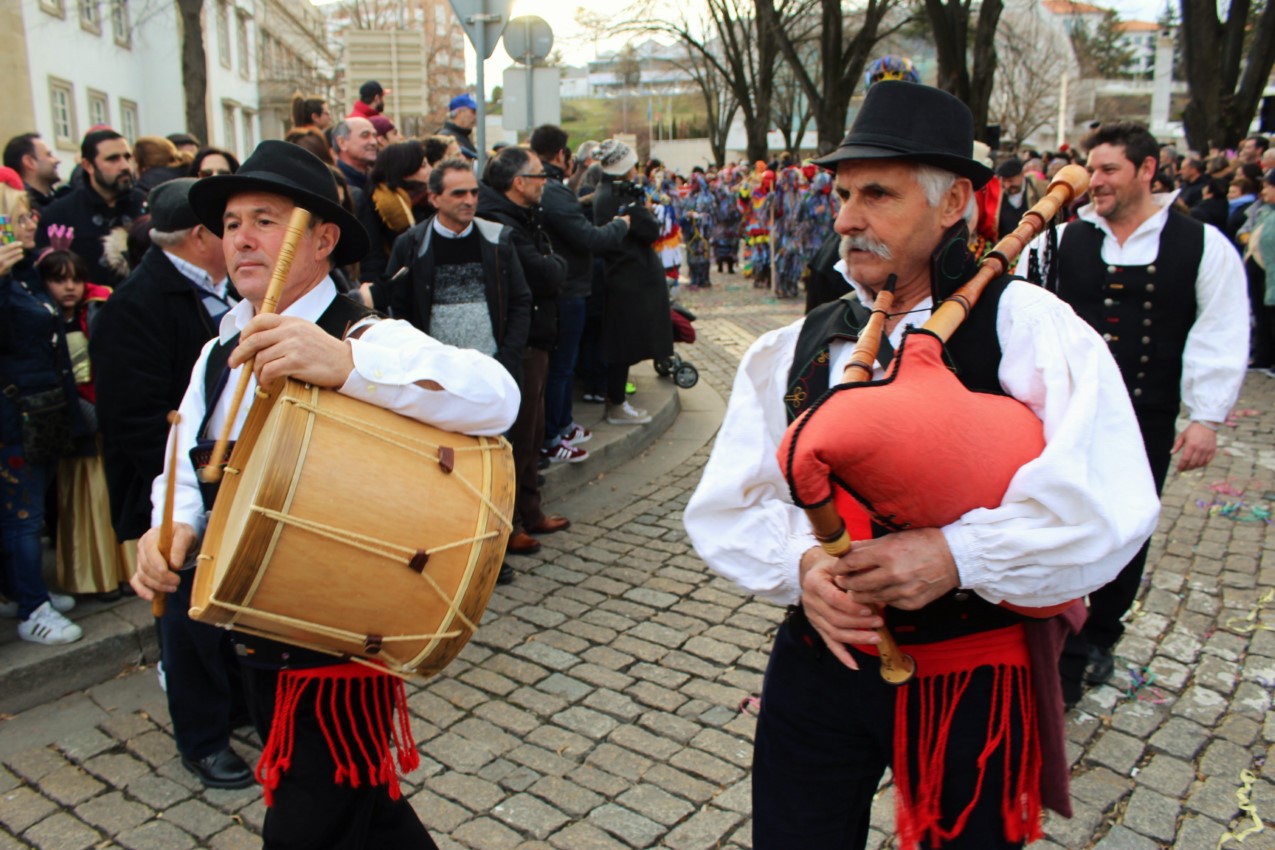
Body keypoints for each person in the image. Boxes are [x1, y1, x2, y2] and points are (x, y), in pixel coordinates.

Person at [684, 82, 1160, 849]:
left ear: (952, 205)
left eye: (877, 193)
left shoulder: (1030, 332)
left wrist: (954, 553)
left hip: (968, 673)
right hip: (818, 660)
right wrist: (801, 563)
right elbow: (727, 503)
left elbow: (1107, 508)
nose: (845, 218)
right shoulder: (799, 345)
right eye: (842, 193)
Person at [129, 140, 519, 847]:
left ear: (324, 239)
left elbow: (498, 399)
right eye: (232, 223)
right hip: (245, 631)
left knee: (308, 828)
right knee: (368, 818)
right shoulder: (219, 351)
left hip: (333, 651)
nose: (242, 237)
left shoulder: (366, 333)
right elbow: (185, 467)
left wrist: (348, 366)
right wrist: (171, 529)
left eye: (266, 219)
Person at [1020, 121, 1248, 708]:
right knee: (1054, 511)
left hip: (1147, 411)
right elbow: (1022, 320)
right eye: (1091, 169)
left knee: (1128, 523)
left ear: (1147, 171)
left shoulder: (1200, 244)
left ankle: (1100, 635)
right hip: (1066, 412)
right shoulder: (1060, 240)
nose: (1094, 181)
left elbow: (1219, 331)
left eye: (1108, 170)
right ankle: (1046, 624)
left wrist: (1205, 416)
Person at [91, 177, 248, 788]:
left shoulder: (225, 291)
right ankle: (202, 739)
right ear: (202, 236)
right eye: (229, 226)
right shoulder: (134, 306)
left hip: (228, 487)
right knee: (184, 628)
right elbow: (136, 422)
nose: (240, 241)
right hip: (170, 491)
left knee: (226, 614)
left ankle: (237, 707)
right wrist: (183, 497)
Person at [477, 146, 571, 559]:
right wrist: (553, 264)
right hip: (522, 340)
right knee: (516, 436)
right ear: (518, 184)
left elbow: (552, 266)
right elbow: (547, 273)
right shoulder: (502, 221)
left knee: (532, 434)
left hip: (538, 335)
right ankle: (509, 523)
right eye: (538, 176)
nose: (545, 183)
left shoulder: (521, 217)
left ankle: (530, 512)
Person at [0, 184, 84, 641]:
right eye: (20, 216)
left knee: (27, 511)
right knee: (23, 517)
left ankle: (25, 590)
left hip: (40, 410)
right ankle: (32, 607)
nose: (33, 222)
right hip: (14, 416)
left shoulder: (25, 274)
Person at [380, 159, 531, 388]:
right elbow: (396, 309)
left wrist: (507, 360)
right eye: (459, 194)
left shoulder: (498, 240)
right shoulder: (411, 245)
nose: (469, 201)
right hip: (432, 377)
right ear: (434, 198)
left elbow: (520, 300)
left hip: (491, 372)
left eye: (474, 193)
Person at [528, 125, 629, 455]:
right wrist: (620, 225)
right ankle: (554, 435)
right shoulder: (552, 191)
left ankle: (562, 426)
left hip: (565, 284)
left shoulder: (555, 190)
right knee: (560, 367)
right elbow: (587, 237)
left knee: (561, 366)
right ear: (560, 155)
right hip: (566, 288)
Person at [37, 247, 131, 600]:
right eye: (59, 280)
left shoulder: (98, 309)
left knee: (112, 496)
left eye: (76, 279)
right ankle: (97, 577)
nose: (70, 287)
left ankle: (125, 571)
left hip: (106, 416)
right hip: (73, 423)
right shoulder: (43, 320)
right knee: (84, 502)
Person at [591, 139, 673, 425]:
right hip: (628, 277)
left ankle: (618, 400)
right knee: (622, 345)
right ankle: (617, 403)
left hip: (623, 274)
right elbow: (650, 230)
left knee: (622, 343)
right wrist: (643, 209)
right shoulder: (619, 197)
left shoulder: (606, 192)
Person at [37, 128, 146, 287]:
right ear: (88, 165)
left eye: (127, 157)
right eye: (113, 159)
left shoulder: (147, 204)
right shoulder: (59, 214)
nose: (125, 166)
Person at [355, 140, 430, 287]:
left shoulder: (430, 200)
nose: (430, 169)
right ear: (404, 171)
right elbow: (373, 258)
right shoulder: (377, 203)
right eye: (423, 166)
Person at [3, 132, 65, 212]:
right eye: (49, 155)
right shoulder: (19, 212)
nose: (57, 160)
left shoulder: (59, 202)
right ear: (30, 162)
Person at [331, 118, 378, 197]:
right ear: (342, 143)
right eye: (365, 135)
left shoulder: (378, 179)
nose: (374, 142)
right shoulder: (335, 184)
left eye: (374, 135)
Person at [438, 94, 479, 160]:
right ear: (459, 112)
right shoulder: (446, 137)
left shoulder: (462, 135)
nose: (475, 116)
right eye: (473, 112)